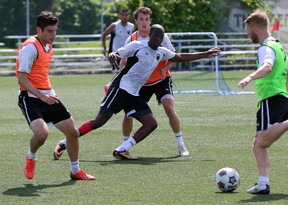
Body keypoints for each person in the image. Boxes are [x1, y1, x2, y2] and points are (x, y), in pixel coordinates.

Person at [53, 24, 220, 160]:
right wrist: (113, 55)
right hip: (120, 89)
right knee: (100, 121)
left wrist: (205, 54)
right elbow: (118, 53)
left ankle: (122, 149)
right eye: (156, 37)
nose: (158, 40)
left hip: (133, 94)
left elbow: (180, 57)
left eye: (161, 38)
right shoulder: (137, 45)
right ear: (149, 36)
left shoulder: (161, 52)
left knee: (151, 123)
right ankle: (64, 143)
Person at [16, 11, 95, 180]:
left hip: (48, 96)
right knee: (42, 134)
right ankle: (31, 157)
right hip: (29, 97)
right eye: (49, 31)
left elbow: (41, 74)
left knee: (73, 133)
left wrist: (49, 93)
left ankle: (75, 171)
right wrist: (42, 96)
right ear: (39, 29)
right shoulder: (30, 48)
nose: (54, 35)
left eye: (55, 30)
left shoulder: (48, 45)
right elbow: (22, 79)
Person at [121, 6, 189, 157]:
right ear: (136, 21)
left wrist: (165, 69)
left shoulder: (160, 36)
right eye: (141, 19)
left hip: (161, 80)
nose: (144, 22)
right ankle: (124, 146)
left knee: (169, 109)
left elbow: (174, 57)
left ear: (150, 21)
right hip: (141, 83)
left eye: (147, 19)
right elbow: (123, 61)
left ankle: (181, 145)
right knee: (128, 114)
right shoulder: (131, 39)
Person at [238, 9, 288, 194]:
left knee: (262, 142)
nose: (247, 33)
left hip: (271, 98)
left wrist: (249, 77)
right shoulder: (279, 46)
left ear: (256, 28)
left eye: (248, 29)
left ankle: (263, 183)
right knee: (257, 144)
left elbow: (267, 67)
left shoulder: (266, 48)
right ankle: (263, 183)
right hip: (282, 98)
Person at [102, 8, 134, 93]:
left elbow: (133, 39)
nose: (124, 17)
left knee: (123, 72)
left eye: (126, 15)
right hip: (115, 53)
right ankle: (111, 88)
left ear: (129, 16)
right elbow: (104, 35)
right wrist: (105, 48)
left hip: (126, 53)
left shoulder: (131, 26)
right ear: (120, 16)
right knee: (121, 72)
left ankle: (110, 87)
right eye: (122, 15)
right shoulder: (115, 25)